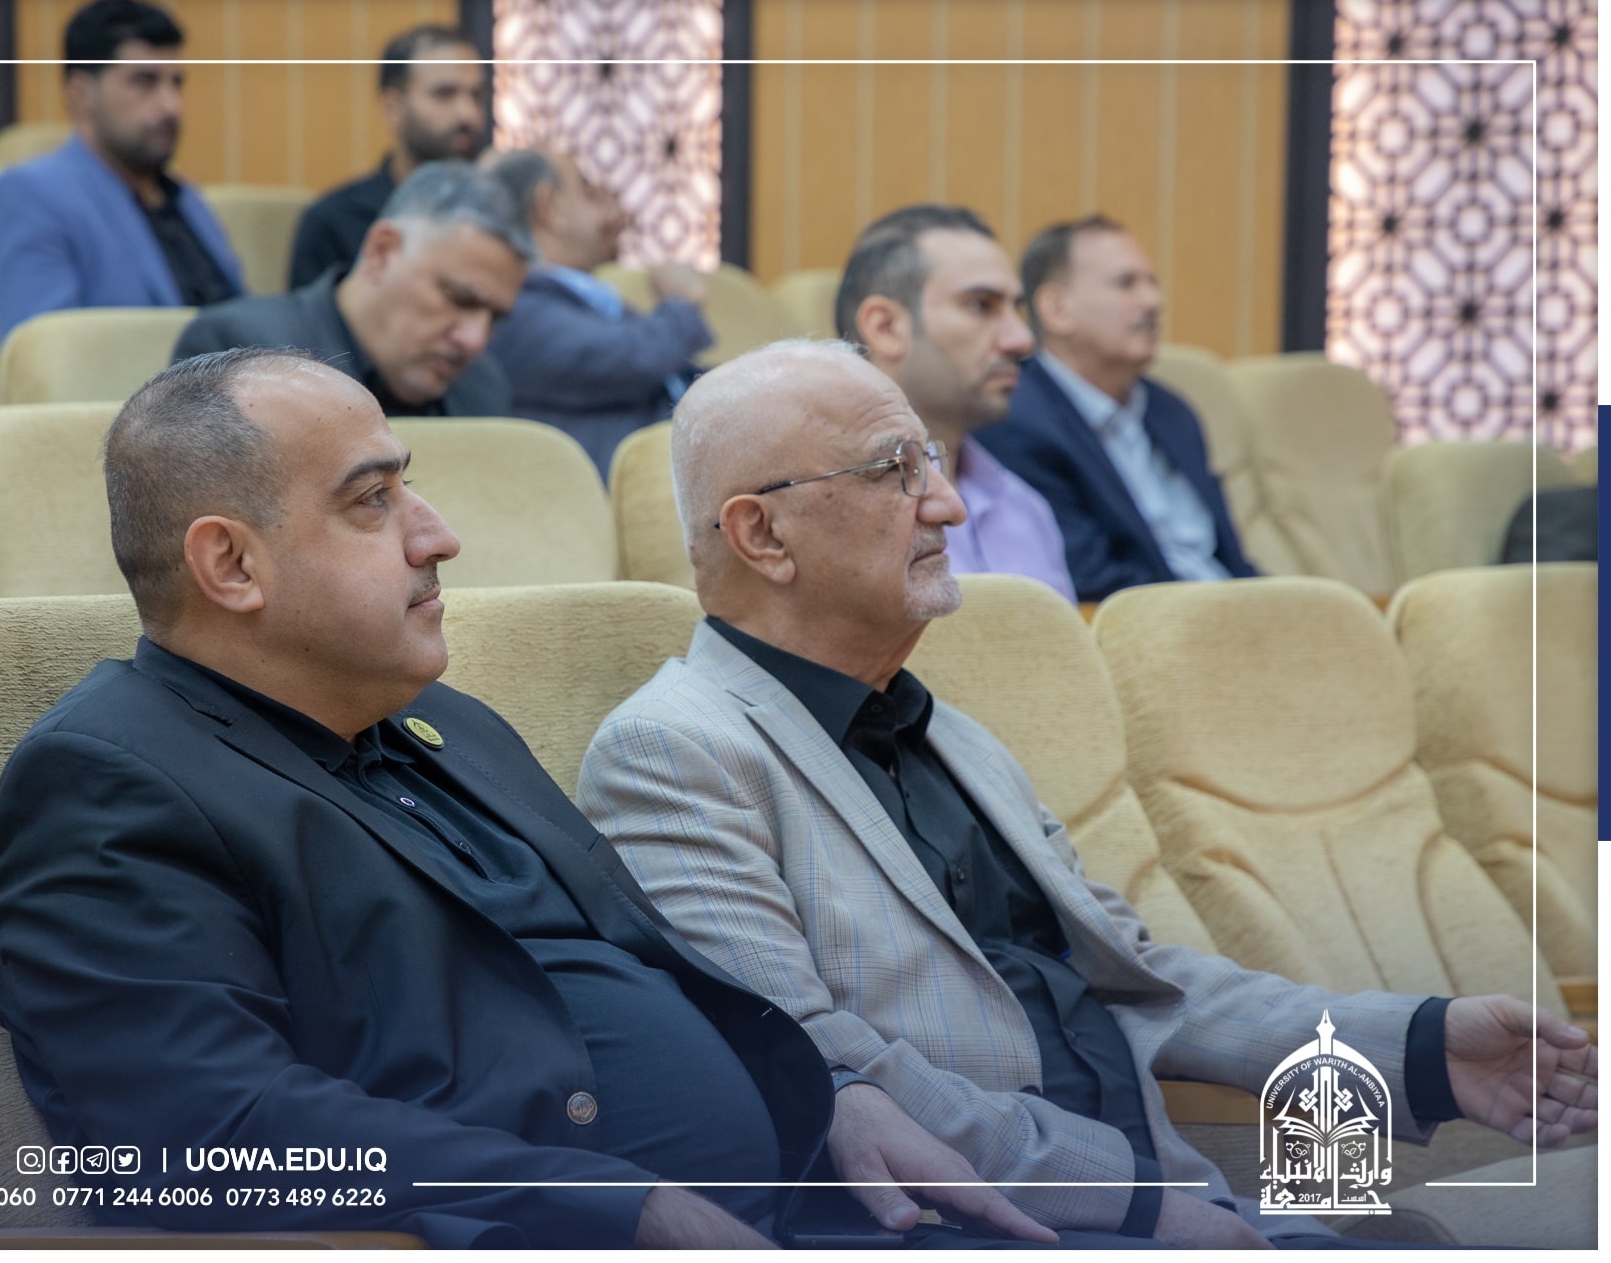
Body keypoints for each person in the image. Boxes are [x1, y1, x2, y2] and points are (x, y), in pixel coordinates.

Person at [0, 344, 1057, 1250]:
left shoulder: (451, 725)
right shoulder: (110, 778)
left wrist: (838, 1097)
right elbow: (202, 1130)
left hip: (819, 1202)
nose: (436, 534)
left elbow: (662, 969)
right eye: (373, 500)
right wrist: (620, 1203)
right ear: (230, 564)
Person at [578, 339, 1599, 1246]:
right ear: (762, 535)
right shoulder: (674, 750)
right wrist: (1143, 1207)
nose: (948, 505)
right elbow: (816, 1064)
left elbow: (1141, 981)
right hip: (985, 1224)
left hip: (1178, 1197)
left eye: (933, 461)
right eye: (894, 471)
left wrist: (1419, 1049)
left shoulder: (959, 736)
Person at [977, 216, 1254, 601]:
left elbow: (1232, 562)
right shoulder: (1016, 417)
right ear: (1056, 309)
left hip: (1232, 613)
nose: (1153, 301)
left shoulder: (1172, 411)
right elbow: (1088, 577)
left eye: (1151, 283)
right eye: (1126, 284)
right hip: (1147, 623)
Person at [837, 204, 1074, 602]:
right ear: (886, 327)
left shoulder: (1028, 508)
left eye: (1015, 309)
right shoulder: (827, 506)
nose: (1022, 340)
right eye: (981, 305)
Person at [0, 0, 242, 340]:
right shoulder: (28, 196)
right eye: (145, 82)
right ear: (81, 94)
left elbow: (245, 319)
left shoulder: (188, 199)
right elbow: (48, 354)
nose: (171, 106)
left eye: (176, 83)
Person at [174, 161, 517, 418]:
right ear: (382, 252)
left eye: (495, 318)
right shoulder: (240, 352)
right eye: (460, 299)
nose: (474, 339)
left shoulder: (483, 388)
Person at [484, 148, 712, 472]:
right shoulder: (517, 307)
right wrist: (683, 299)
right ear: (549, 207)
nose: (607, 214)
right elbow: (637, 359)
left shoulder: (579, 293)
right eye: (587, 192)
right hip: (626, 483)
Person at [288, 24, 487, 291]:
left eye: (476, 96)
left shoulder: (498, 216)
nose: (468, 114)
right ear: (393, 108)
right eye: (444, 95)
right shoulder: (335, 221)